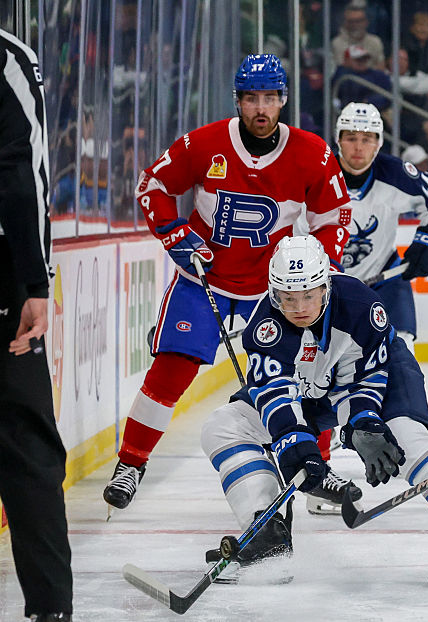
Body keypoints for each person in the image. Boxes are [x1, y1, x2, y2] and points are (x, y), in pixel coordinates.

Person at [103, 55, 356, 514]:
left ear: (283, 101)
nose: (261, 108)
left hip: (275, 290)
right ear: (238, 101)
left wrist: (319, 268)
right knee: (171, 369)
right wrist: (174, 233)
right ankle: (131, 462)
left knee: (303, 377)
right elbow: (153, 185)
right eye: (251, 98)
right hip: (204, 279)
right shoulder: (205, 144)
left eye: (270, 98)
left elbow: (333, 217)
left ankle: (318, 465)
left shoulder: (311, 152)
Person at [200, 236, 428, 587]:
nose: (299, 306)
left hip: (382, 375)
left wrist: (362, 424)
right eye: (288, 297)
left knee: (406, 441)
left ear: (325, 286)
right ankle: (266, 535)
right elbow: (275, 395)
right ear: (275, 293)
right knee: (224, 426)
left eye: (308, 294)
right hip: (312, 385)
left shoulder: (361, 306)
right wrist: (298, 447)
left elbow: (366, 379)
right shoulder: (265, 328)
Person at [0, 27, 75, 622]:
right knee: (25, 441)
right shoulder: (7, 57)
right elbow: (24, 170)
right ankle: (51, 606)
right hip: (2, 287)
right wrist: (35, 281)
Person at [331, 103, 428, 354]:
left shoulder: (395, 174)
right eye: (351, 137)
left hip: (383, 281)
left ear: (378, 143)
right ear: (338, 139)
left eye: (367, 139)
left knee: (401, 353)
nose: (358, 147)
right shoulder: (317, 176)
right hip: (326, 288)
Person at [331, 3, 386, 71]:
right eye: (351, 21)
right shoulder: (337, 43)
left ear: (366, 22)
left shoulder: (375, 42)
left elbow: (381, 68)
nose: (355, 25)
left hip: (372, 80)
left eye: (359, 21)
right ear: (345, 23)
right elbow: (341, 68)